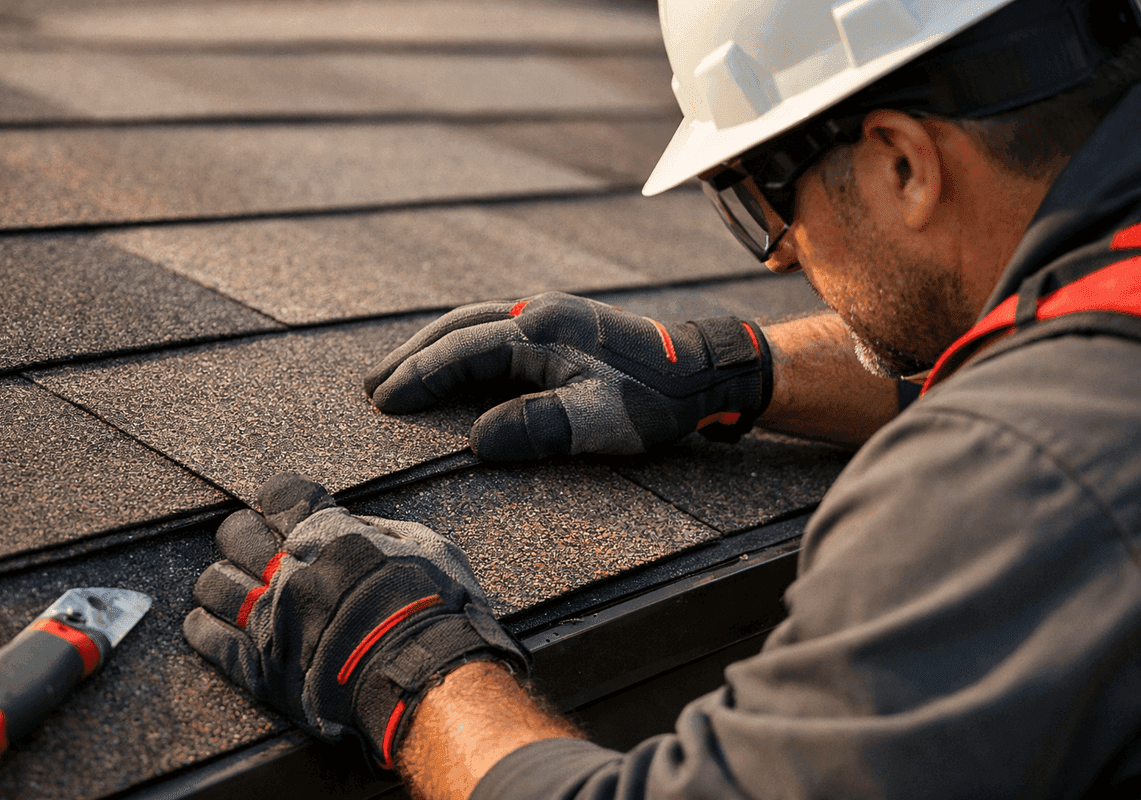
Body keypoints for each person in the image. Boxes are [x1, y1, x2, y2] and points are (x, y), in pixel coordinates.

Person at [183, 0, 1141, 797]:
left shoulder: (1017, 479)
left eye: (761, 206)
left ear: (902, 162)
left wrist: (408, 668)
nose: (786, 256)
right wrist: (738, 368)